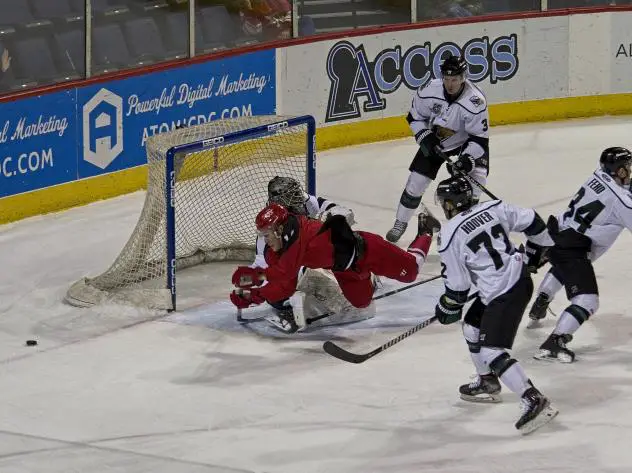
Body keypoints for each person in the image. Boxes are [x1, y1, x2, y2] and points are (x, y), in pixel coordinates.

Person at [434, 175, 558, 434]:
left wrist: (447, 307)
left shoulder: (449, 234)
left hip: (504, 293)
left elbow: (458, 288)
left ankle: (533, 398)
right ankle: (487, 382)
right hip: (517, 279)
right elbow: (533, 220)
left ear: (451, 204)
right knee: (471, 326)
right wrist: (536, 252)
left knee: (491, 351)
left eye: (444, 202)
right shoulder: (493, 207)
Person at [230, 202, 441, 333]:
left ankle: (426, 229)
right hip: (345, 270)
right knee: (362, 302)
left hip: (368, 251)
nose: (265, 241)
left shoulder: (298, 235)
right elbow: (285, 286)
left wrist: (255, 281)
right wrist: (256, 296)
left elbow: (283, 272)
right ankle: (370, 277)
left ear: (280, 229)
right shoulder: (279, 248)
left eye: (267, 235)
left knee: (411, 271)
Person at [528, 147, 632, 363]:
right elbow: (623, 202)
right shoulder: (622, 203)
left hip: (557, 230)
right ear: (619, 171)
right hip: (573, 246)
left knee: (564, 267)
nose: (629, 171)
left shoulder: (598, 174)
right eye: (627, 167)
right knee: (588, 301)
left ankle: (543, 296)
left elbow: (617, 192)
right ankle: (555, 341)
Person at [386, 55, 490, 243]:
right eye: (447, 79)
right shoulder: (429, 91)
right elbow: (414, 118)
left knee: (475, 183)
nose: (450, 84)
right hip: (438, 140)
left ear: (463, 78)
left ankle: (466, 227)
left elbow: (479, 140)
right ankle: (400, 222)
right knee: (416, 182)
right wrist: (424, 136)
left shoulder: (475, 101)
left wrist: (466, 160)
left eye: (455, 79)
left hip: (466, 143)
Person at [250, 176, 366, 330]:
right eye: (292, 196)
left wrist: (334, 216)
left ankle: (356, 282)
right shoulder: (271, 229)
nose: (299, 198)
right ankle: (298, 304)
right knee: (301, 271)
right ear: (281, 202)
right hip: (285, 278)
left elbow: (337, 210)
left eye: (297, 193)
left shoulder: (302, 201)